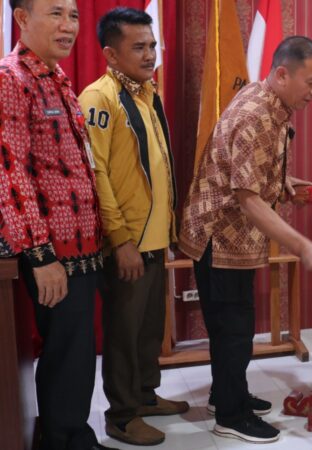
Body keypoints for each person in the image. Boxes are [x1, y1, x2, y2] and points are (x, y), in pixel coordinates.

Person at [178, 36, 312, 444]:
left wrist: (284, 183)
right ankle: (230, 415)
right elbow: (247, 199)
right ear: (282, 74)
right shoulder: (255, 115)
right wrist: (302, 246)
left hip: (234, 237)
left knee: (234, 325)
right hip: (220, 235)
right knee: (234, 328)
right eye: (311, 83)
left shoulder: (272, 104)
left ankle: (224, 395)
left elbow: (250, 173)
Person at [0, 1, 113, 449]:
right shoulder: (11, 78)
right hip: (53, 251)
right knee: (66, 352)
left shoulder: (56, 77)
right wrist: (40, 255)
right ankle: (64, 441)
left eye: (73, 15)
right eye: (55, 14)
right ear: (22, 18)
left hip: (83, 245)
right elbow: (10, 173)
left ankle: (73, 433)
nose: (68, 26)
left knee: (79, 351)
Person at [78, 7, 189, 446]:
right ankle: (121, 416)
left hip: (155, 237)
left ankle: (144, 395)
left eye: (152, 45)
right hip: (127, 240)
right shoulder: (98, 98)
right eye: (138, 47)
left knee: (147, 327)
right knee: (124, 332)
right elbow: (96, 173)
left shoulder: (146, 93)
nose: (150, 55)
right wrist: (119, 239)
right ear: (110, 54)